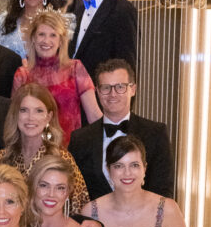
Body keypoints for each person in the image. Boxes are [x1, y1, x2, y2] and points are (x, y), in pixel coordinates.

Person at [68, 59, 175, 200]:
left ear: (133, 90)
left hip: (143, 220)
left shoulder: (155, 133)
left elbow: (163, 191)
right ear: (98, 92)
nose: (113, 94)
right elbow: (74, 192)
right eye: (106, 87)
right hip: (92, 220)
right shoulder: (80, 139)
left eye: (120, 87)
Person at [0, 82, 89, 214]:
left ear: (48, 117)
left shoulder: (62, 159)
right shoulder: (2, 158)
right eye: (24, 110)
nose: (31, 118)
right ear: (15, 115)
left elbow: (79, 206)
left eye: (39, 111)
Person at [12, 10, 101, 140]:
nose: (46, 41)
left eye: (53, 35)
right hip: (32, 153)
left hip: (70, 153)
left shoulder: (75, 68)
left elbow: (94, 115)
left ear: (61, 41)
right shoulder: (22, 75)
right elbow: (15, 121)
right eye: (41, 34)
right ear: (33, 38)